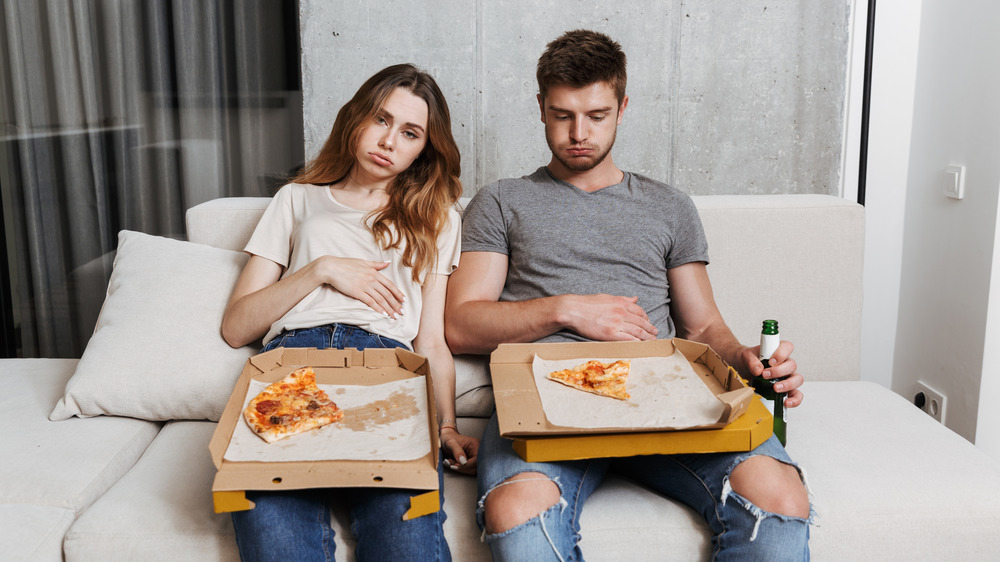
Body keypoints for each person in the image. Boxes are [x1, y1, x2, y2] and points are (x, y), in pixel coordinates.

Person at [444, 30, 811, 560]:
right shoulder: (502, 201)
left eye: (596, 115)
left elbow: (704, 328)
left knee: (780, 496)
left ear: (622, 108)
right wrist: (566, 309)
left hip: (667, 401)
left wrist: (749, 360)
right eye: (562, 115)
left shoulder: (670, 205)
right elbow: (461, 324)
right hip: (545, 404)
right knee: (517, 513)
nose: (578, 133)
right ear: (541, 109)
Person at [221, 63, 477, 562]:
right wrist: (321, 270)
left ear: (424, 148)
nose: (388, 141)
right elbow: (236, 328)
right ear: (356, 118)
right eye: (381, 120)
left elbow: (430, 342)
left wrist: (445, 426)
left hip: (387, 371)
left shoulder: (438, 217)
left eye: (409, 133)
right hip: (292, 364)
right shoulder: (297, 199)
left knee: (408, 541)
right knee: (272, 536)